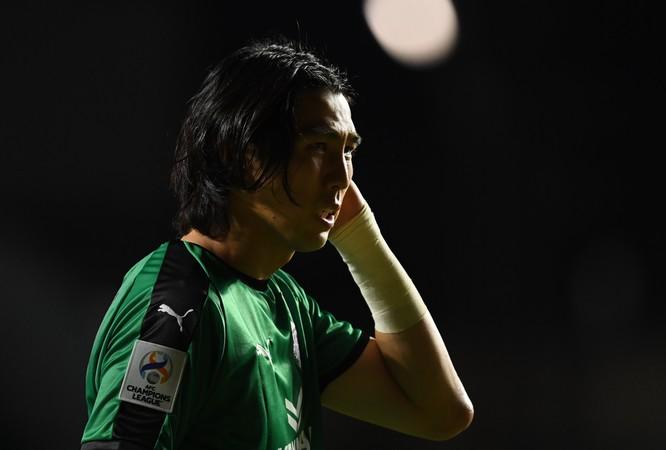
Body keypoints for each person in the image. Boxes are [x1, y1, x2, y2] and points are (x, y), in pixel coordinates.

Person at [80, 39, 473, 450]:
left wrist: (361, 237)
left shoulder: (285, 303)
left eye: (347, 152)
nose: (342, 179)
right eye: (318, 147)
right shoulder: (179, 307)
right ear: (239, 154)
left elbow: (442, 412)